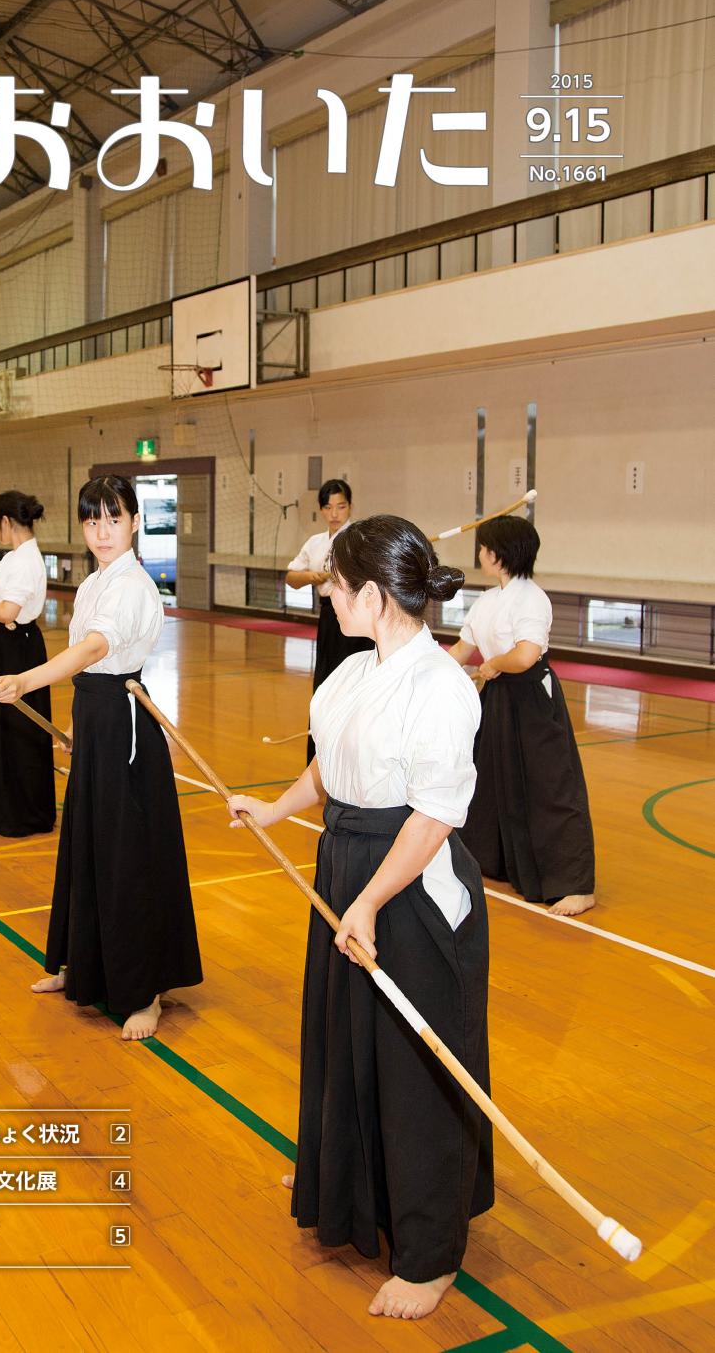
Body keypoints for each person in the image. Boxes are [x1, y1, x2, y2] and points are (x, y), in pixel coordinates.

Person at [229, 516, 493, 1322]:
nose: (328, 595)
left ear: (372, 596)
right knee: (345, 1033)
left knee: (413, 1067)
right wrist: (275, 809)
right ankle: (343, 1174)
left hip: (408, 886)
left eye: (337, 585)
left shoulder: (440, 687)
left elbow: (433, 817)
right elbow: (330, 763)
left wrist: (371, 901)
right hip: (347, 863)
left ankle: (429, 1250)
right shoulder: (351, 673)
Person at [0, 475, 203, 1042]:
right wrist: (70, 726)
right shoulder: (94, 584)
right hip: (97, 718)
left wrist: (29, 678)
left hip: (126, 727)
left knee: (127, 855)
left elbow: (94, 651)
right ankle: (79, 964)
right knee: (85, 843)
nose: (102, 531)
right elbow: (87, 673)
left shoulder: (132, 585)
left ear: (134, 521)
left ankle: (145, 992)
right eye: (92, 520)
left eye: (113, 518)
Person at [448, 516, 596, 917]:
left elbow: (526, 655)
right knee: (492, 779)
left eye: (483, 547)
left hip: (532, 697)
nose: (479, 554)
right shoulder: (489, 600)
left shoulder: (532, 598)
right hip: (498, 699)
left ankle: (575, 883)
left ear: (496, 554)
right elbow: (462, 651)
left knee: (550, 787)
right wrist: (422, 669)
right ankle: (493, 862)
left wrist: (493, 663)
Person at [0, 491, 56, 838]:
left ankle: (21, 812)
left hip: (18, 652)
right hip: (5, 646)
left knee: (18, 730)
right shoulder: (17, 556)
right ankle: (0, 805)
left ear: (5, 522)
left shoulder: (28, 561)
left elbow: (5, 611)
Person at [286, 479, 372, 762]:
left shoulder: (360, 539)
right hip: (328, 617)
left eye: (341, 506)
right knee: (325, 683)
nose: (335, 513)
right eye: (329, 507)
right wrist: (311, 576)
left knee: (354, 682)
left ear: (350, 506)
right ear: (321, 510)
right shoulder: (316, 543)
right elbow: (291, 576)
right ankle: (320, 761)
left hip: (356, 618)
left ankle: (353, 757)